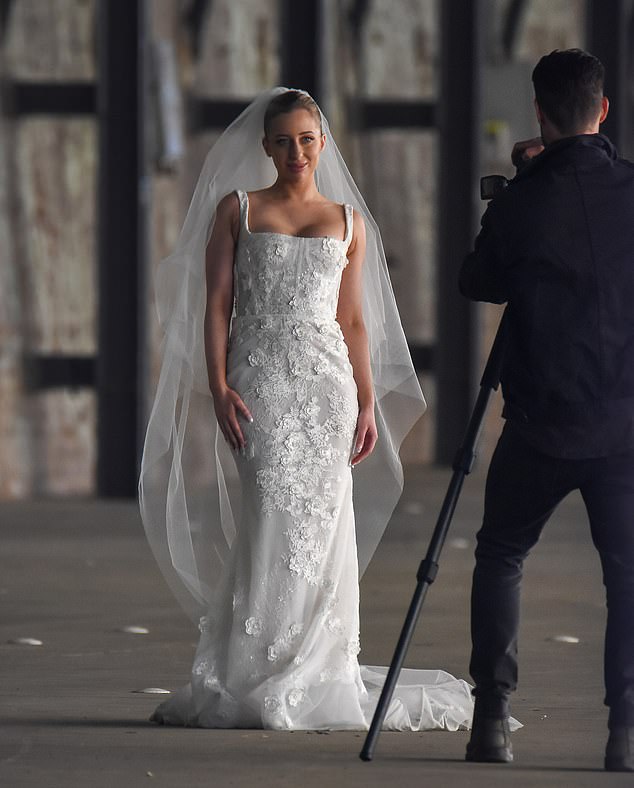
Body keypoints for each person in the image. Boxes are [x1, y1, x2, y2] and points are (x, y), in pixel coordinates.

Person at [139, 88, 476, 731]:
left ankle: (317, 672)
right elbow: (215, 306)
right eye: (283, 140)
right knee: (269, 515)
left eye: (307, 139)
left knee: (324, 529)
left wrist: (368, 397)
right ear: (265, 147)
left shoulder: (350, 221)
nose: (296, 151)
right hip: (258, 382)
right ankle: (253, 672)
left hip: (328, 388)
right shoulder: (236, 211)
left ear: (323, 143)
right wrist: (217, 383)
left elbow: (352, 320)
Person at [460, 49, 634, 771]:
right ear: (604, 110)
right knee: (625, 575)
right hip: (623, 426)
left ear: (538, 113)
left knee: (501, 554)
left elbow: (479, 281)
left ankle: (492, 721)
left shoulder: (525, 199)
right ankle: (625, 735)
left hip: (538, 423)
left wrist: (527, 182)